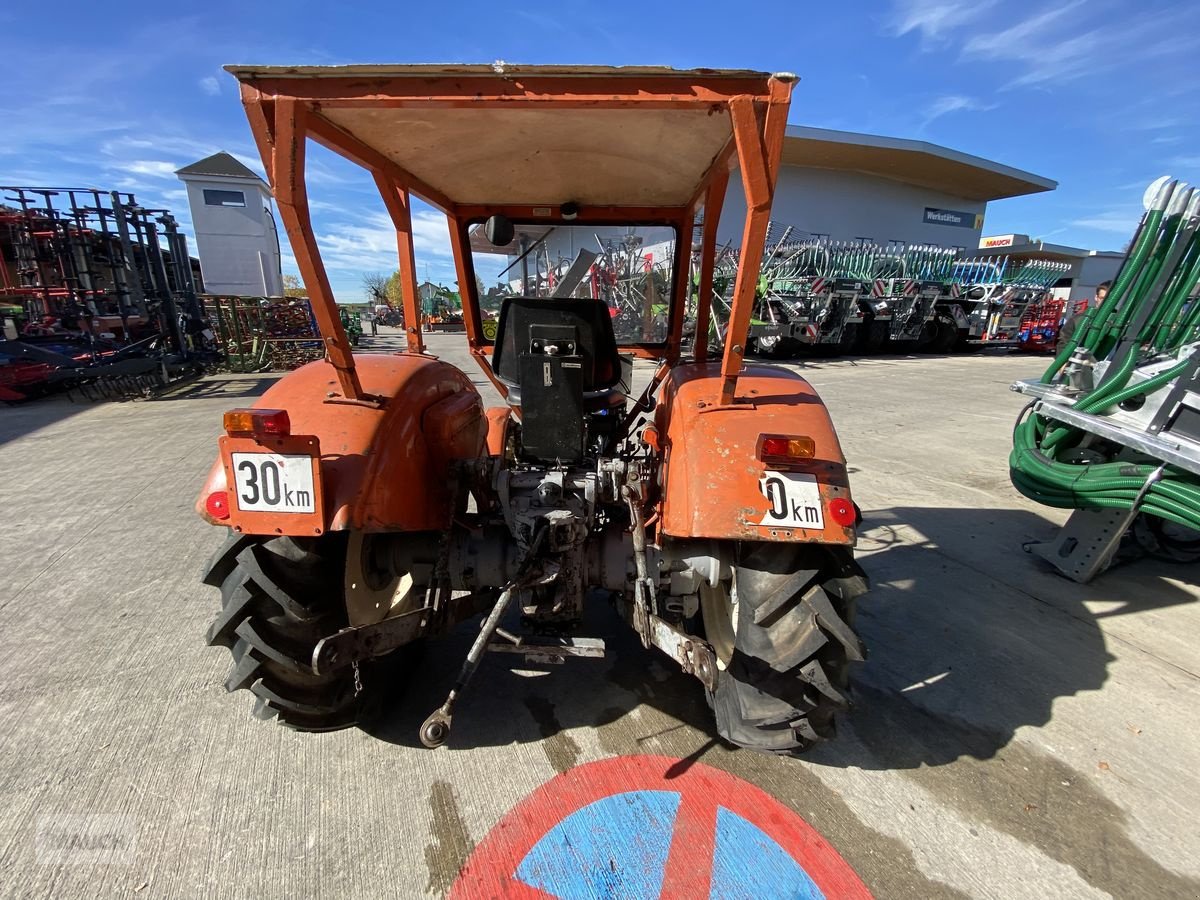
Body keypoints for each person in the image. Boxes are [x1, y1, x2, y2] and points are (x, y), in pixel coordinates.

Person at [1056, 281, 1110, 353]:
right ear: (1096, 297)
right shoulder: (1078, 319)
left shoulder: (1118, 321)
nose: (1105, 302)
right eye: (1102, 298)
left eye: (1109, 298)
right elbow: (1063, 343)